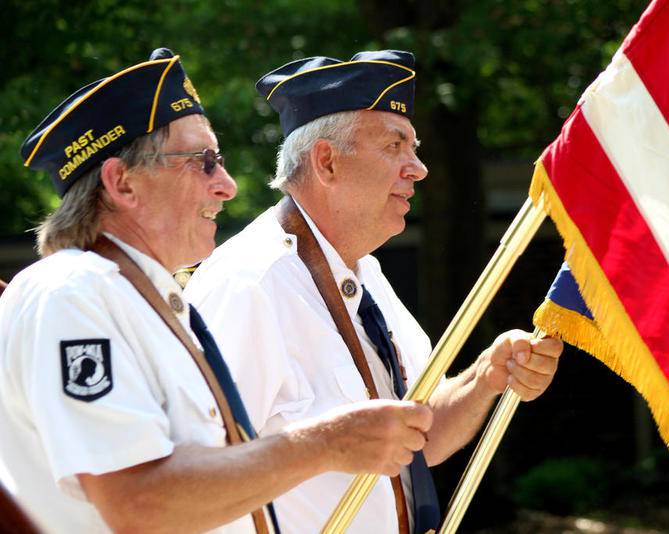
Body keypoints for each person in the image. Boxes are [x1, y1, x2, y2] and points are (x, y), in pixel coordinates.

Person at [0, 49, 435, 534]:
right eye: (202, 162)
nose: (227, 186)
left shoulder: (145, 302)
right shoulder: (72, 293)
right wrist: (325, 443)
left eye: (220, 162)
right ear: (122, 182)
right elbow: (138, 503)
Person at [184, 50, 564, 534]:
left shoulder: (368, 274)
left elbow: (418, 432)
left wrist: (486, 376)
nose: (418, 168)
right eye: (394, 146)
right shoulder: (248, 284)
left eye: (415, 147)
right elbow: (201, 485)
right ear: (327, 161)